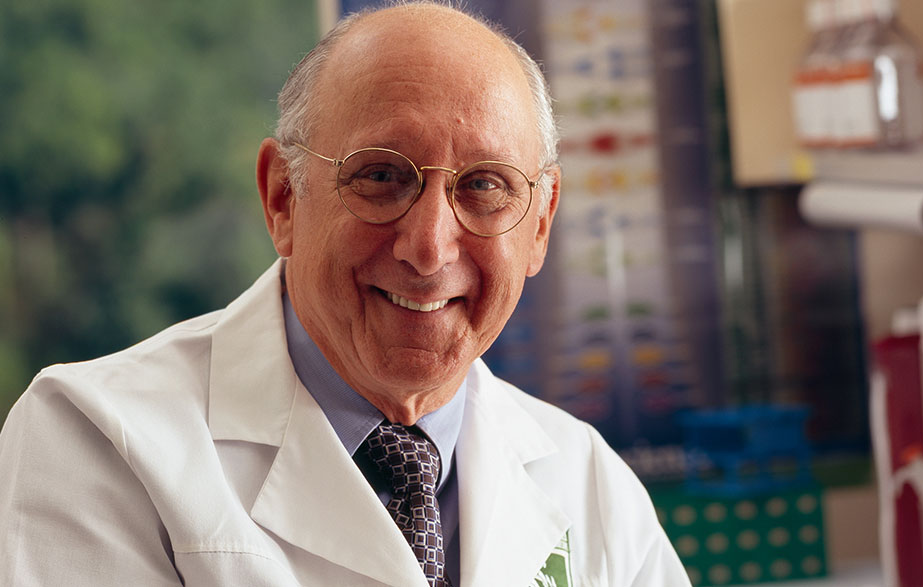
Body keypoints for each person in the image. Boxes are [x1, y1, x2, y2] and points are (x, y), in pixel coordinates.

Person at [0, 3, 690, 586]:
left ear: (539, 224)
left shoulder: (591, 483)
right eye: (382, 176)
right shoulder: (93, 442)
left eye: (483, 185)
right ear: (282, 200)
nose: (429, 247)